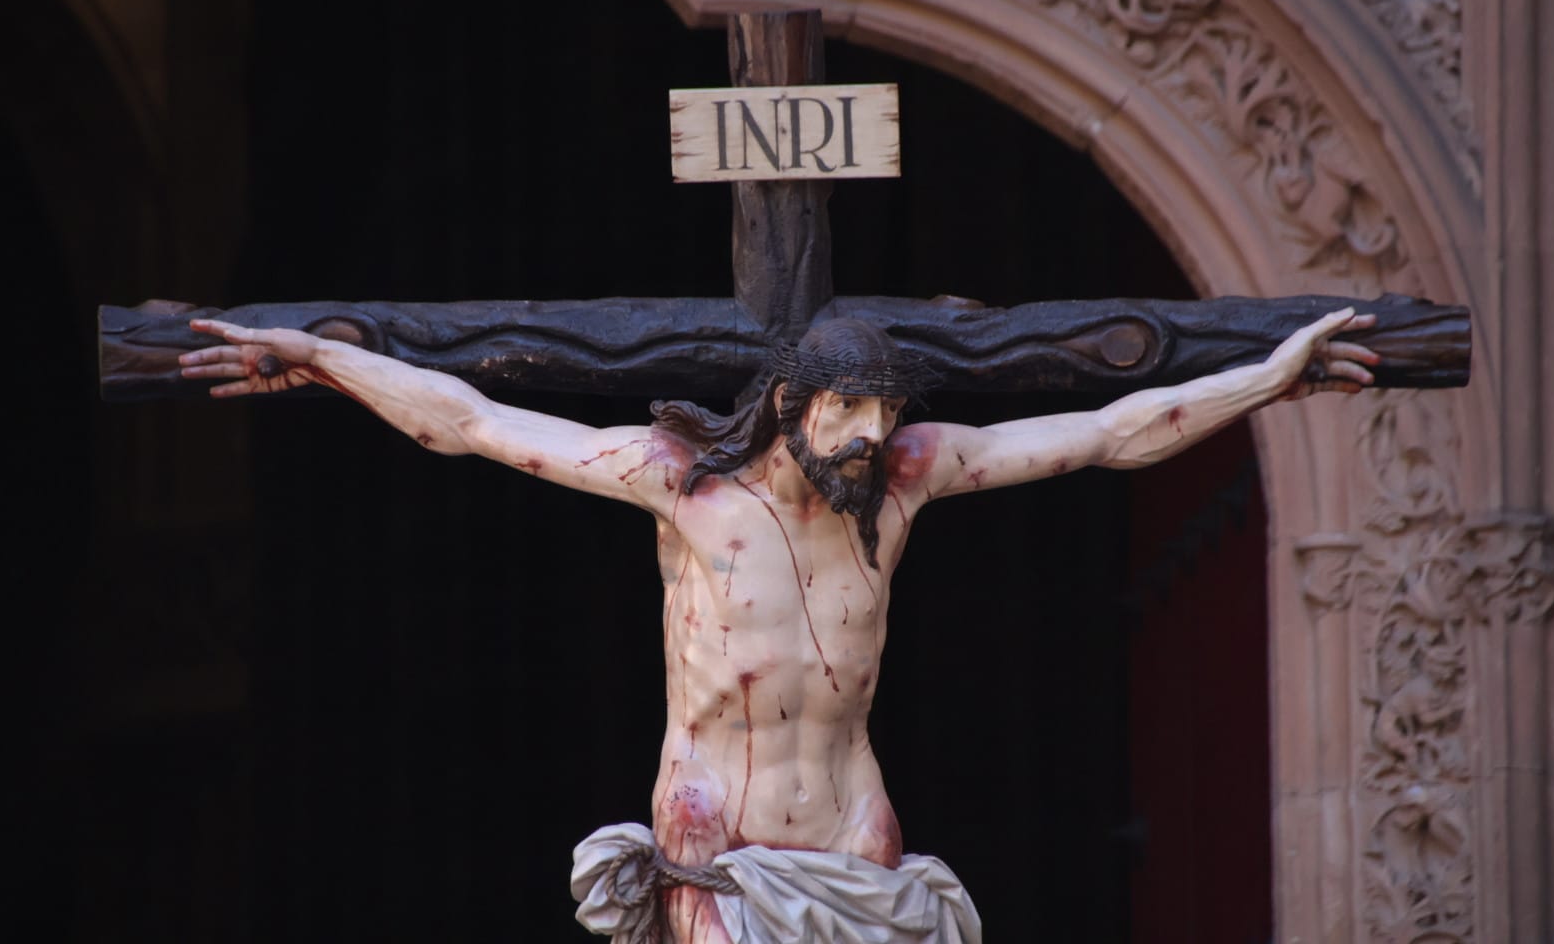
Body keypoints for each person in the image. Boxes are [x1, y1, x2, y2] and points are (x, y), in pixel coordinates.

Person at [181, 308, 1378, 944]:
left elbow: (1117, 431)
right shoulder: (685, 486)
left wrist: (1270, 376)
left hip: (859, 848)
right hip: (722, 849)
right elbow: (477, 422)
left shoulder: (909, 476)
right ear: (798, 403)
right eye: (848, 412)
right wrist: (325, 362)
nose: (868, 435)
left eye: (884, 413)